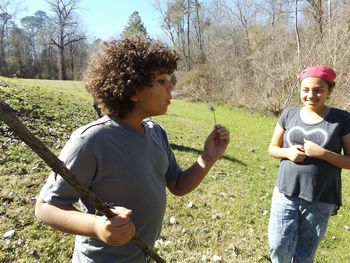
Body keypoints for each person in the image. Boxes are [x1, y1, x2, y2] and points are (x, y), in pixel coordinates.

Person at [35, 36, 230, 262]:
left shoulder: (157, 133)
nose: (171, 86)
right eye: (162, 80)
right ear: (133, 90)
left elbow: (177, 185)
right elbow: (47, 207)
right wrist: (98, 226)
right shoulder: (92, 140)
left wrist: (207, 158)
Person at [267, 65, 350, 262]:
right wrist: (288, 152)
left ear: (330, 90)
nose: (311, 95)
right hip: (285, 191)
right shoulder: (289, 114)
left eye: (318, 90)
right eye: (305, 90)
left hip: (320, 197)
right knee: (278, 246)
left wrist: (322, 154)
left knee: (304, 254)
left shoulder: (342, 119)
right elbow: (272, 148)